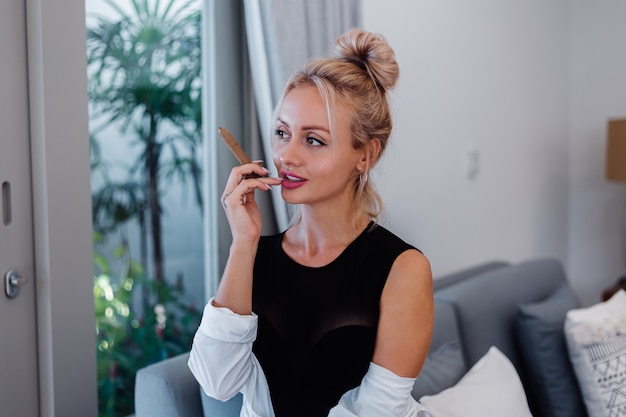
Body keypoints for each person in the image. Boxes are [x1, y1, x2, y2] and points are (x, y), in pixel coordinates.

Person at [188, 28, 434, 417]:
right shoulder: (256, 255)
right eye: (282, 133)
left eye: (314, 140)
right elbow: (216, 383)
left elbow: (377, 410)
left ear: (365, 155)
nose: (287, 156)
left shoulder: (403, 269)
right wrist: (243, 243)